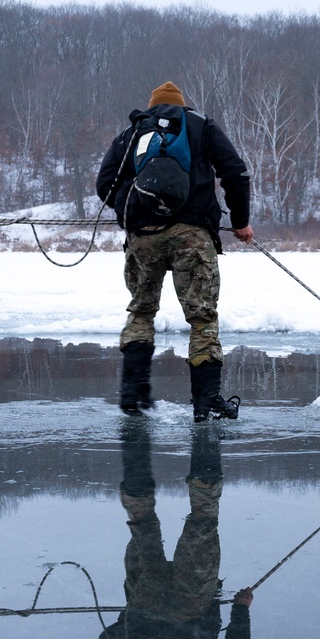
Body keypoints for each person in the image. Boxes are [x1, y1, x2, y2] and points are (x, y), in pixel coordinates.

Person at [97, 81, 253, 421]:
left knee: (141, 311)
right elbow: (236, 174)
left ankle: (132, 391)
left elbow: (104, 182)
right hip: (193, 235)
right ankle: (207, 400)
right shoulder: (201, 125)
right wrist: (240, 221)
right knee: (202, 318)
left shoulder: (134, 132)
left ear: (152, 105)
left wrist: (131, 212)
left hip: (143, 236)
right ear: (182, 105)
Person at [97, 421, 253, 639]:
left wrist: (241, 610)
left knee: (203, 520)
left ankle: (206, 433)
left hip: (193, 604)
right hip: (144, 606)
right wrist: (131, 618)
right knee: (143, 528)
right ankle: (135, 437)